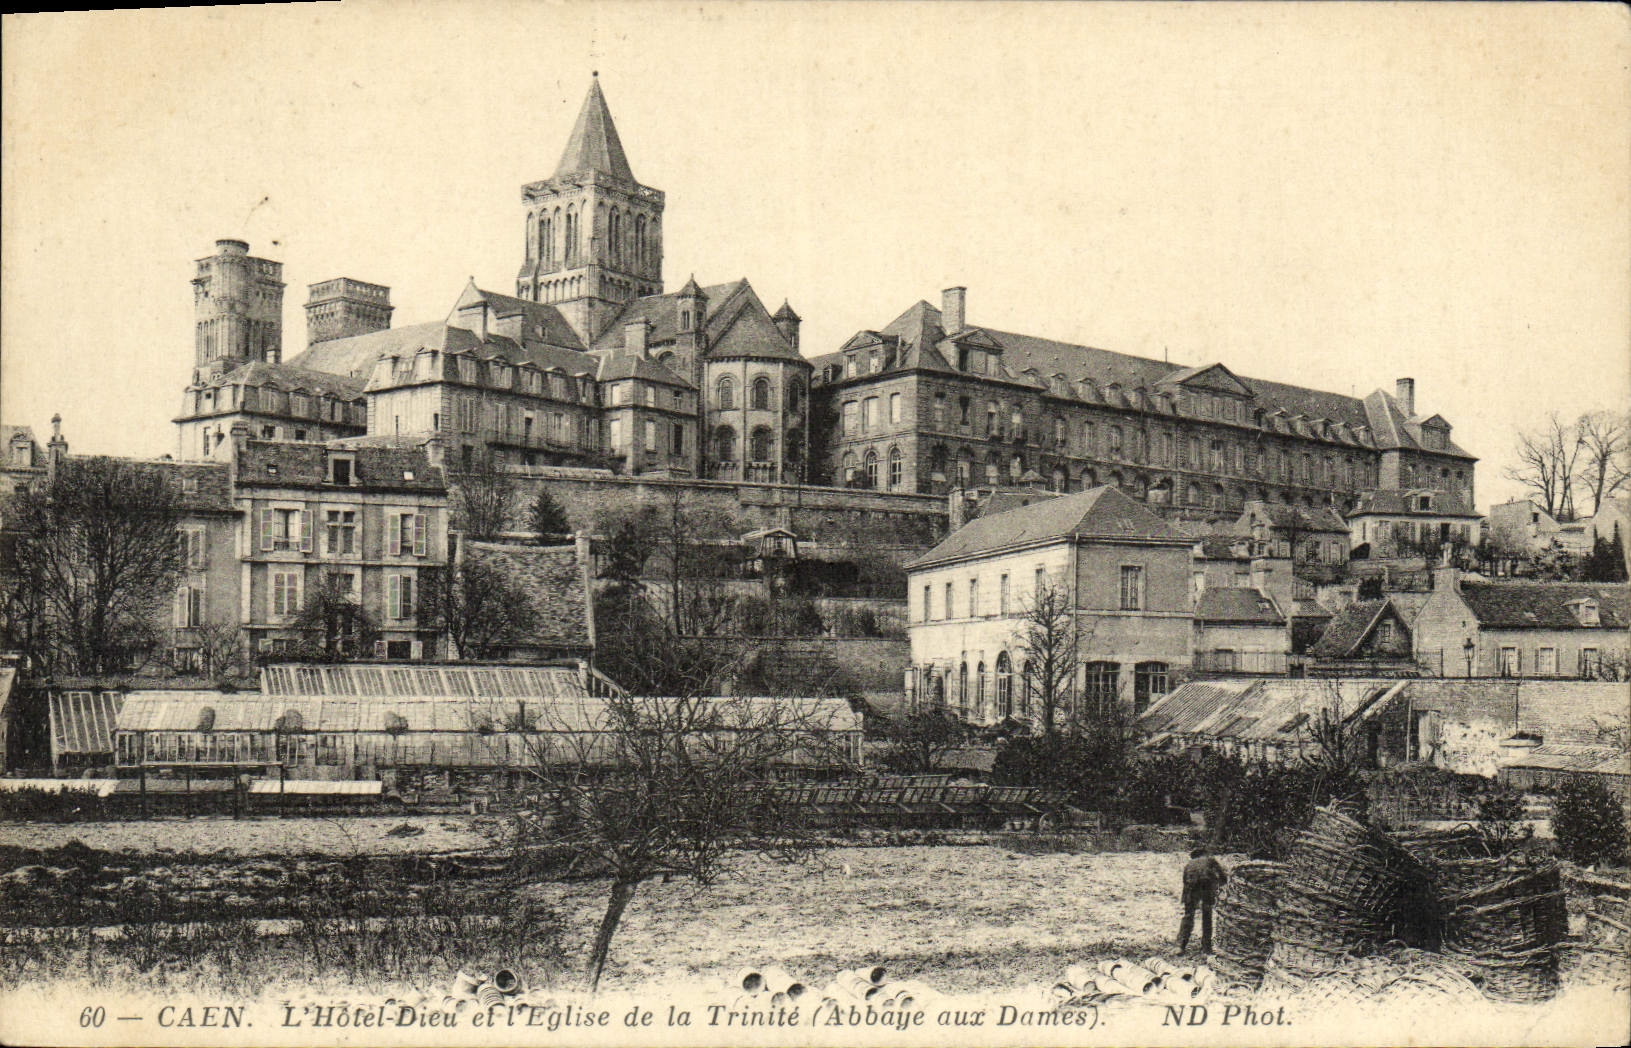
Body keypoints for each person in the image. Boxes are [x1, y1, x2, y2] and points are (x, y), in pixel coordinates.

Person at [1177, 845, 1229, 954]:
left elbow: (1184, 881)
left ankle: (1181, 946)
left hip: (1190, 889)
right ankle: (1206, 947)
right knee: (1207, 917)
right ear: (1204, 853)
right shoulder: (1210, 860)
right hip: (1206, 888)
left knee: (1188, 916)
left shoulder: (1188, 864)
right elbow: (1223, 877)